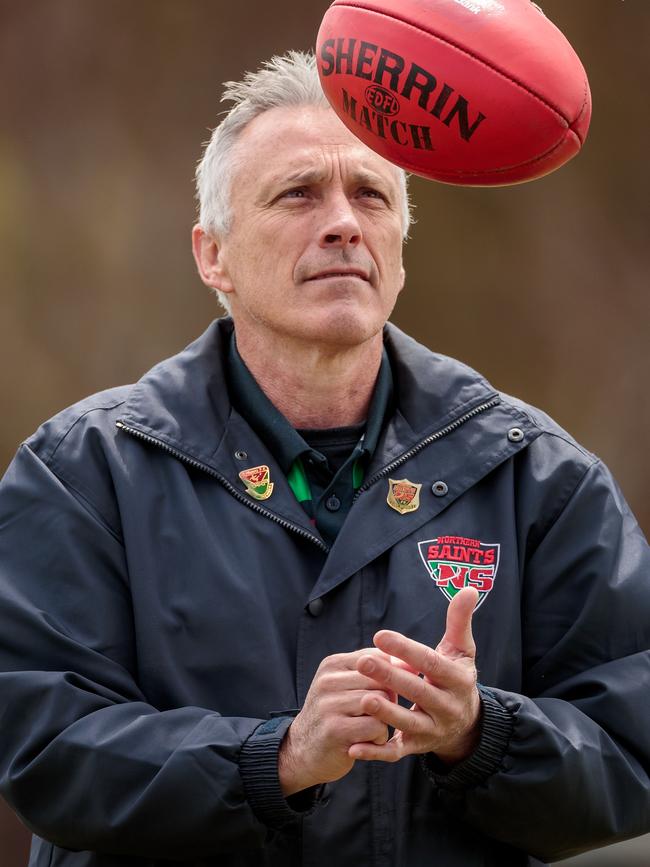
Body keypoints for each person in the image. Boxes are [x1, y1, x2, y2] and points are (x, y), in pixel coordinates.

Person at [0, 51, 648, 867]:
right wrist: (276, 758)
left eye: (371, 194)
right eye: (299, 193)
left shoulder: (538, 474)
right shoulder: (83, 473)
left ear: (400, 255)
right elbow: (44, 746)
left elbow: (633, 741)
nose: (343, 221)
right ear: (213, 257)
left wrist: (481, 734)